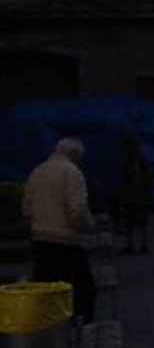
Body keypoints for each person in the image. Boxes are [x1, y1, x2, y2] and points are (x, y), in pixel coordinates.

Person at [21, 137, 97, 324]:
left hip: (40, 239)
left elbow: (26, 209)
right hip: (66, 240)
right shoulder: (72, 172)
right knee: (82, 288)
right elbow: (77, 209)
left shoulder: (37, 171)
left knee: (46, 290)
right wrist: (88, 226)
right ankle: (79, 328)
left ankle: (48, 329)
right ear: (75, 155)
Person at [117, 136, 154, 254]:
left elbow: (145, 179)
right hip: (135, 196)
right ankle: (137, 245)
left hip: (137, 195)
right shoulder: (134, 160)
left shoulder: (136, 161)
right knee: (134, 221)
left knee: (136, 221)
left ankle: (137, 245)